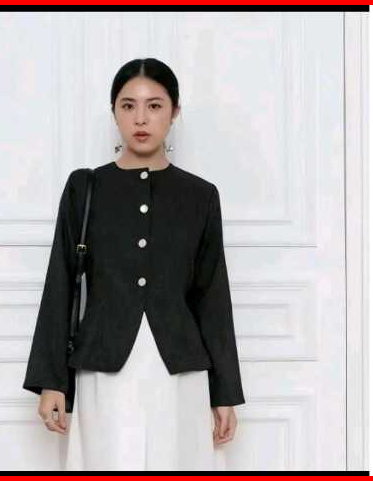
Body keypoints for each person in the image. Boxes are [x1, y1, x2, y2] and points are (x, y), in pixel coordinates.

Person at [22, 58, 245, 471]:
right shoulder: (85, 188)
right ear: (114, 112)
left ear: (174, 112)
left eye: (154, 105)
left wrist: (224, 392)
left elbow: (213, 296)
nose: (140, 118)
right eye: (128, 106)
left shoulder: (200, 196)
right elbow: (61, 283)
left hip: (180, 371)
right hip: (103, 366)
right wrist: (52, 381)